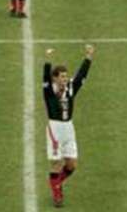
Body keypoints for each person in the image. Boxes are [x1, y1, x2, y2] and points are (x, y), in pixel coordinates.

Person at [43, 44, 95, 208]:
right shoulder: (48, 90)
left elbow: (81, 76)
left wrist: (88, 57)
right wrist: (48, 61)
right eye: (62, 77)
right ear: (55, 78)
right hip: (55, 128)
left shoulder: (71, 88)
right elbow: (45, 77)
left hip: (68, 128)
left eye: (66, 77)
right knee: (57, 163)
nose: (65, 79)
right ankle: (57, 193)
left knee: (72, 165)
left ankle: (57, 183)